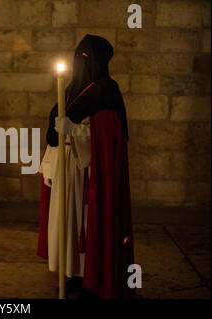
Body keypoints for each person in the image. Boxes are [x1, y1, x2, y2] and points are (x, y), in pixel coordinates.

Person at [38, 34, 134, 299]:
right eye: (79, 56)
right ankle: (74, 275)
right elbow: (55, 127)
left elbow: (106, 135)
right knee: (67, 223)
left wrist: (75, 130)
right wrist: (50, 162)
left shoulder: (107, 90)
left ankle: (93, 279)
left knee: (86, 223)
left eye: (87, 57)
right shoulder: (71, 90)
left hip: (89, 172)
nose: (82, 63)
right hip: (66, 168)